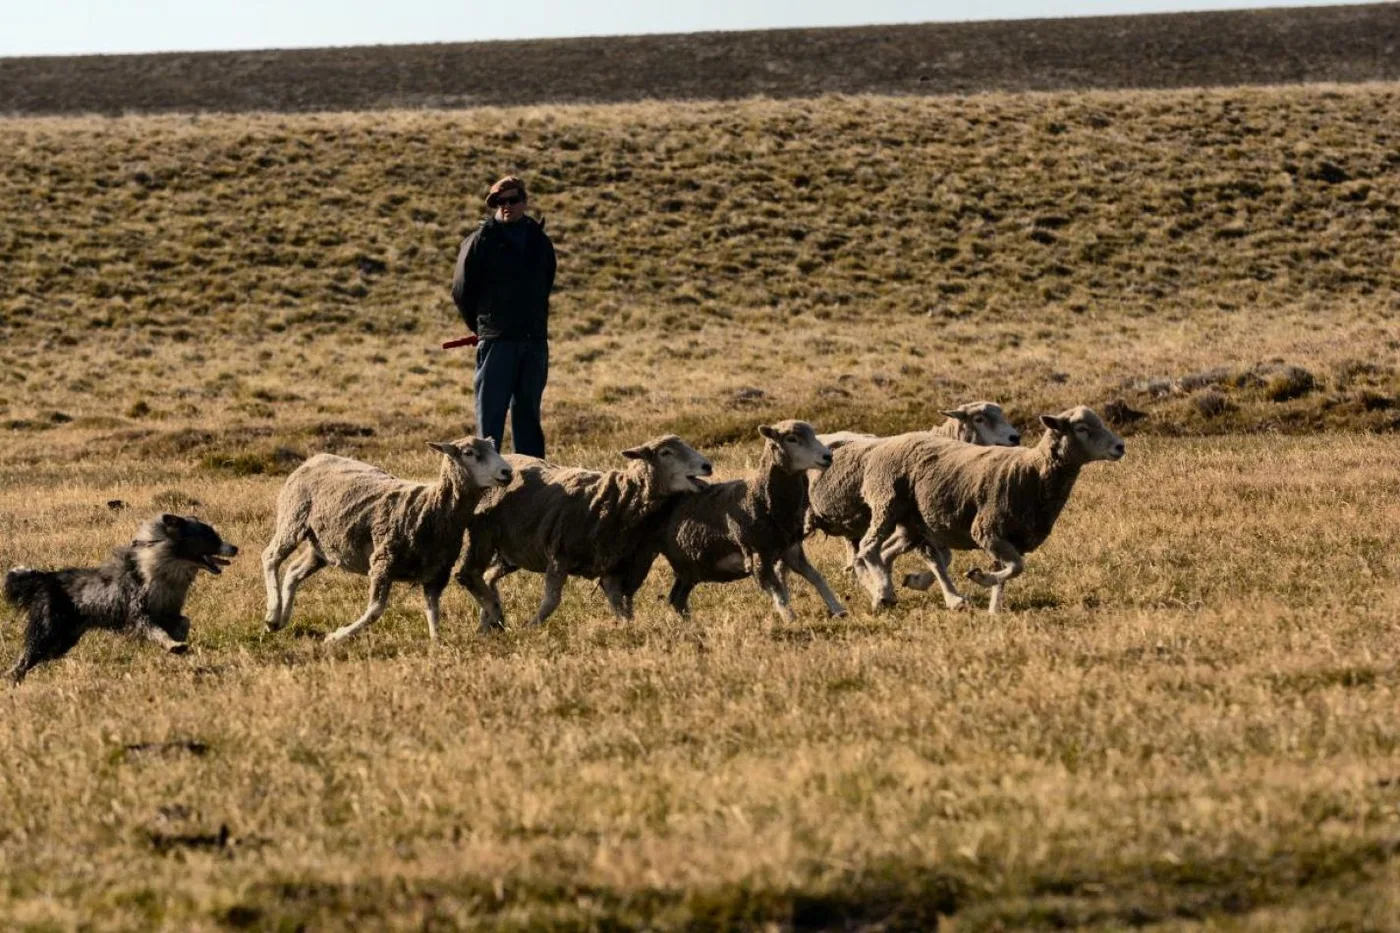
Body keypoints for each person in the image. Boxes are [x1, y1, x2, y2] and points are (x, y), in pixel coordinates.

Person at [451, 175, 556, 458]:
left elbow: (546, 283)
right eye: (499, 201)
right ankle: (486, 483)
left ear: (524, 201)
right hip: (498, 341)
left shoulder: (539, 241)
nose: (506, 206)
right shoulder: (480, 241)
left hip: (533, 340)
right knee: (490, 418)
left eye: (512, 200)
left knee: (528, 414)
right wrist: (485, 326)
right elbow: (461, 291)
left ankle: (533, 480)